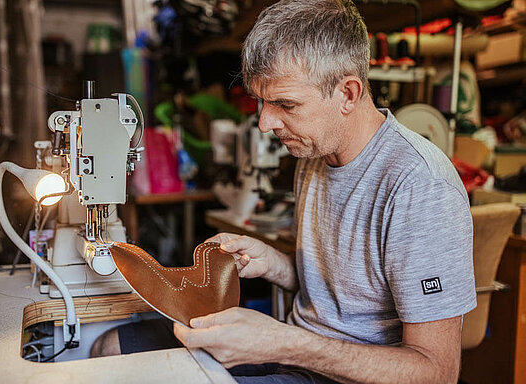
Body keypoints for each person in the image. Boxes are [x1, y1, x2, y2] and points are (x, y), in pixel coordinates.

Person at [92, 1, 476, 383]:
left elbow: (436, 372)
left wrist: (282, 343)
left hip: (338, 375)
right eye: (261, 101)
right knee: (109, 348)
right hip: (296, 354)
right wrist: (277, 263)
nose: (264, 123)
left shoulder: (420, 187)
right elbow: (348, 293)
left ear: (348, 94)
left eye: (284, 103)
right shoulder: (314, 152)